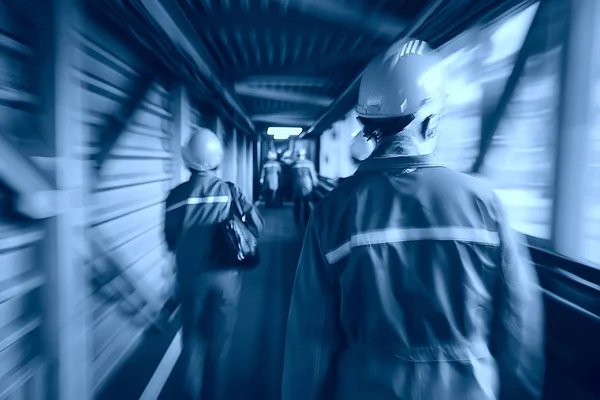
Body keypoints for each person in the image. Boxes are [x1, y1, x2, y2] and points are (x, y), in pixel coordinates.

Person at [281, 39, 544, 400]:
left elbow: (311, 332)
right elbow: (519, 322)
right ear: (432, 120)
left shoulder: (334, 210)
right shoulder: (486, 205)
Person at [163, 127, 264, 400]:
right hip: (225, 278)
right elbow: (257, 225)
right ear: (217, 159)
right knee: (220, 343)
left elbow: (170, 241)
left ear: (187, 159)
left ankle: (190, 393)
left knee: (193, 339)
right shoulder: (229, 191)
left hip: (189, 277)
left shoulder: (175, 196)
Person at [291, 147, 318, 228]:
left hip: (297, 184)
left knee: (297, 203)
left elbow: (292, 175)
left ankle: (297, 220)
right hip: (307, 184)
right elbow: (313, 176)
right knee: (306, 203)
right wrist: (315, 184)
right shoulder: (309, 163)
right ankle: (306, 220)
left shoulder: (294, 164)